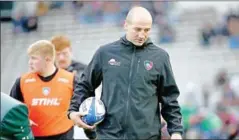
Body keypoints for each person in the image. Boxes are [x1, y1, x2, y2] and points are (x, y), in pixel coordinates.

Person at [68, 6, 183, 139]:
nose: (142, 35)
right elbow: (85, 85)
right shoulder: (105, 53)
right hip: (109, 135)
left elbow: (170, 98)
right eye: (137, 29)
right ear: (126, 25)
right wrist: (73, 111)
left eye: (147, 30)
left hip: (146, 136)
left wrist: (176, 132)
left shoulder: (160, 57)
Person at [10, 40, 75, 140]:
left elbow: (83, 106)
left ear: (48, 59)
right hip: (32, 136)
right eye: (30, 58)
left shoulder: (71, 79)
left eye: (34, 58)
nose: (29, 62)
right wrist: (22, 120)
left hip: (63, 135)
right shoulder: (22, 81)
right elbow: (11, 110)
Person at [50, 35, 96, 139]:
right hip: (56, 123)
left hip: (81, 120)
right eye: (57, 54)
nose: (61, 58)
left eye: (64, 53)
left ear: (70, 51)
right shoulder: (46, 73)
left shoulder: (84, 69)